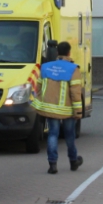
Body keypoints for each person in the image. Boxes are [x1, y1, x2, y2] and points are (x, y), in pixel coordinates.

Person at [32, 40, 83, 174]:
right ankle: (73, 162)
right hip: (67, 110)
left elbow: (38, 88)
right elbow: (75, 93)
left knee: (52, 134)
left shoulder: (45, 67)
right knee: (69, 135)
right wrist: (78, 112)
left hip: (49, 108)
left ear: (57, 52)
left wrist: (41, 103)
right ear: (69, 53)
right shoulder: (73, 69)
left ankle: (53, 165)